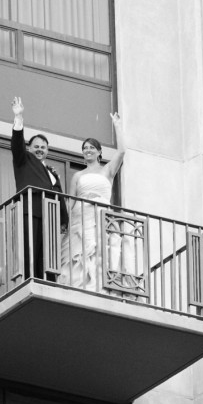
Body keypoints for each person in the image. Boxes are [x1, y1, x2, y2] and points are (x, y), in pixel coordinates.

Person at [59, 113, 126, 292]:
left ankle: (99, 286)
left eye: (91, 148)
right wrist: (65, 222)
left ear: (99, 152)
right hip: (80, 218)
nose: (87, 150)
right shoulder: (78, 175)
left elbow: (121, 152)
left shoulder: (107, 171)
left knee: (101, 251)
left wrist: (117, 126)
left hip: (100, 217)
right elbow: (70, 202)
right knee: (78, 254)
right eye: (85, 148)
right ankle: (79, 285)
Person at [11, 97, 68, 280]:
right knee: (31, 249)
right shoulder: (24, 159)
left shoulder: (51, 171)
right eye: (36, 146)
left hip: (49, 216)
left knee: (47, 253)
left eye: (43, 147)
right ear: (29, 147)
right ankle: (30, 279)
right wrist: (18, 118)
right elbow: (17, 145)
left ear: (48, 151)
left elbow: (59, 196)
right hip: (31, 209)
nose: (40, 149)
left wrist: (64, 220)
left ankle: (48, 281)